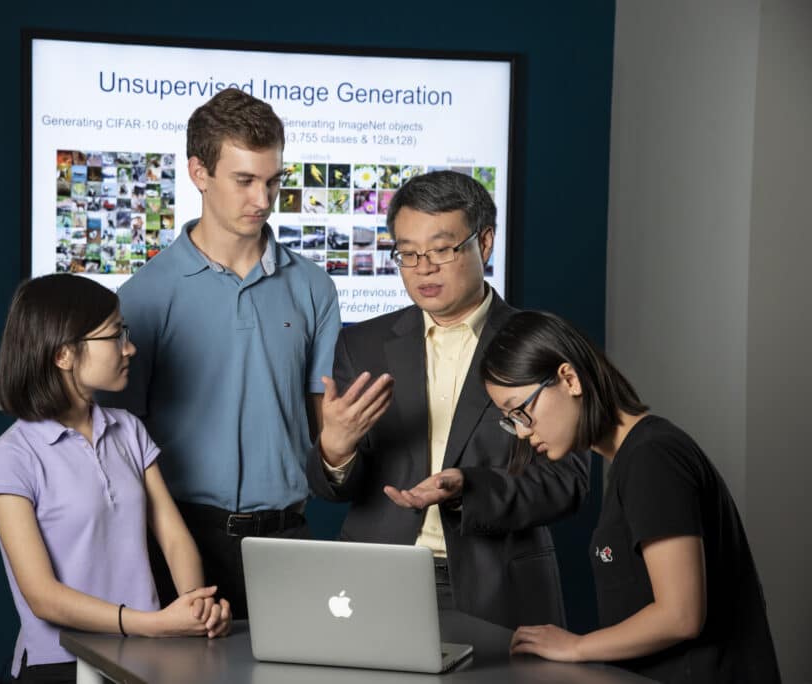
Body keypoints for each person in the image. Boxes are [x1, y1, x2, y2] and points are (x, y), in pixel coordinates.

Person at [307, 170, 590, 629]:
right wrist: (335, 450)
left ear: (485, 243)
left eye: (441, 249)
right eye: (408, 253)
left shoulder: (541, 342)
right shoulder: (364, 344)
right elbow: (332, 489)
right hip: (374, 583)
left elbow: (568, 483)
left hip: (495, 586)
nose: (423, 268)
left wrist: (468, 488)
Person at [105, 88, 341, 617]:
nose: (262, 198)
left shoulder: (315, 288)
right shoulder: (143, 295)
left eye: (273, 180)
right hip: (179, 541)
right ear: (198, 172)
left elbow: (322, 424)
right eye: (244, 180)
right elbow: (121, 440)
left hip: (290, 538)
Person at [481, 310, 780, 683]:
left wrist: (577, 647)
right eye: (510, 420)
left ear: (569, 379)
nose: (522, 433)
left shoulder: (652, 457)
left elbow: (680, 615)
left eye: (520, 412)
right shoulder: (634, 457)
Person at [0, 274, 231, 684]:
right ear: (64, 354)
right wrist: (153, 624)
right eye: (115, 336)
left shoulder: (129, 429)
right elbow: (42, 596)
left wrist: (194, 607)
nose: (129, 348)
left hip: (144, 654)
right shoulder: (9, 457)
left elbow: (172, 535)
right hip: (59, 664)